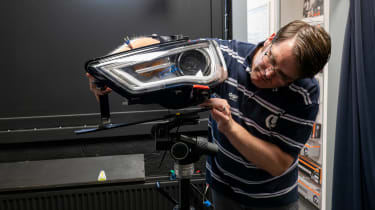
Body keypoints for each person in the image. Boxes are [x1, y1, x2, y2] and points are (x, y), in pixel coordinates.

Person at [88, 20, 331, 210]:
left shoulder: (304, 93)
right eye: (272, 59)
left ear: (298, 78)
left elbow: (277, 164)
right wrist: (110, 67)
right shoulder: (223, 56)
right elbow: (157, 44)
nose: (268, 73)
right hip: (222, 188)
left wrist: (230, 128)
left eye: (283, 76)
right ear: (269, 40)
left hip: (271, 199)